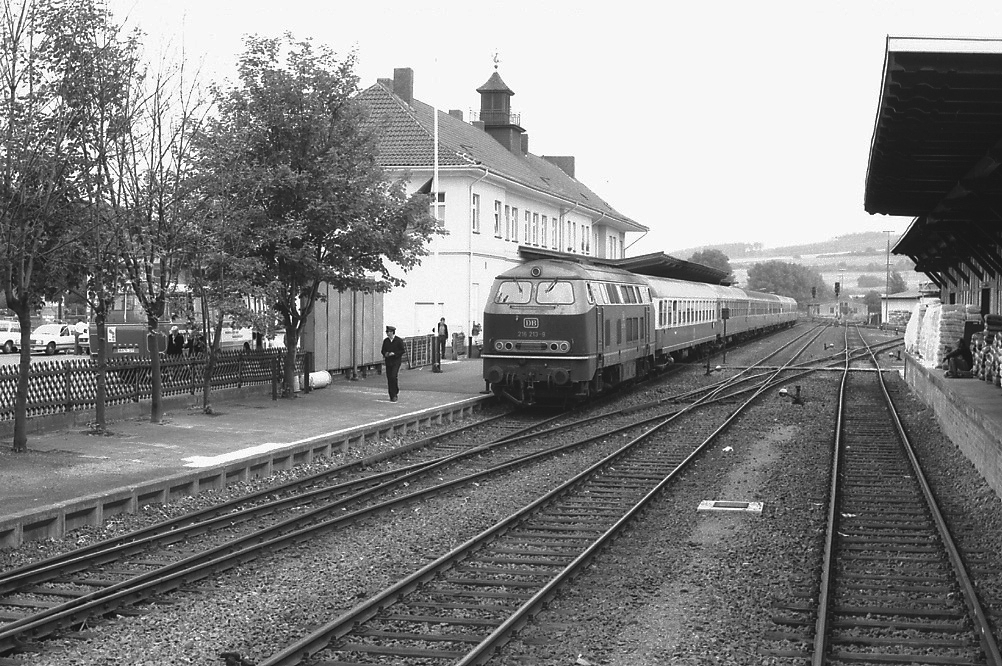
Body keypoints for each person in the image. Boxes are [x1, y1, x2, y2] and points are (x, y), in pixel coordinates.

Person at [381, 325, 406, 402]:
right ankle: (391, 395)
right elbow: (383, 350)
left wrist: (394, 353)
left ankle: (395, 392)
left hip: (396, 361)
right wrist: (386, 354)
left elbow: (402, 350)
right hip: (388, 361)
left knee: (393, 376)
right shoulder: (386, 341)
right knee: (389, 378)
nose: (387, 333)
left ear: (392, 332)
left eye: (388, 332)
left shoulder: (398, 340)